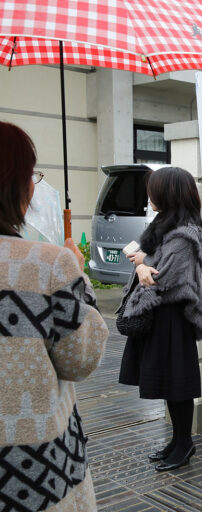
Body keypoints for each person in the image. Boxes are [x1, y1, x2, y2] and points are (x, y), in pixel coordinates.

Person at [0, 121, 109, 510]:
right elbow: (82, 358)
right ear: (18, 186)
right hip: (35, 471)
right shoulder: (45, 266)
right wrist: (77, 277)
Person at [118, 167, 202, 472]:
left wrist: (144, 264)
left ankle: (184, 443)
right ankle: (177, 441)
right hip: (160, 315)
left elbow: (165, 278)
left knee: (177, 384)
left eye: (153, 190)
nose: (149, 196)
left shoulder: (185, 234)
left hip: (173, 317)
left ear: (168, 194)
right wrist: (143, 265)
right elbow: (151, 267)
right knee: (168, 382)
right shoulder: (164, 225)